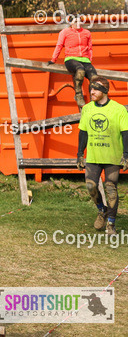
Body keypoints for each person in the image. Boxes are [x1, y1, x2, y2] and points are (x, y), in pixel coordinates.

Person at [76, 78, 128, 235]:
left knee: (111, 189)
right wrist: (80, 153)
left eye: (96, 89)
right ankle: (102, 210)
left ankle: (111, 224)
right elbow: (83, 132)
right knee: (91, 186)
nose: (91, 92)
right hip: (93, 156)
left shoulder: (119, 109)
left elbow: (126, 133)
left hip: (112, 156)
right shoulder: (87, 109)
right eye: (91, 89)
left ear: (105, 91)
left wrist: (126, 154)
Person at [51, 16, 100, 107]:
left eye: (79, 21)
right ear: (70, 23)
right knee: (80, 71)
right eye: (75, 21)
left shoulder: (87, 33)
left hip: (85, 60)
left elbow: (90, 48)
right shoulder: (65, 32)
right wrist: (53, 59)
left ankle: (93, 99)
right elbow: (59, 45)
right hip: (71, 59)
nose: (78, 23)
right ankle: (78, 95)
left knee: (94, 77)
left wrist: (90, 60)